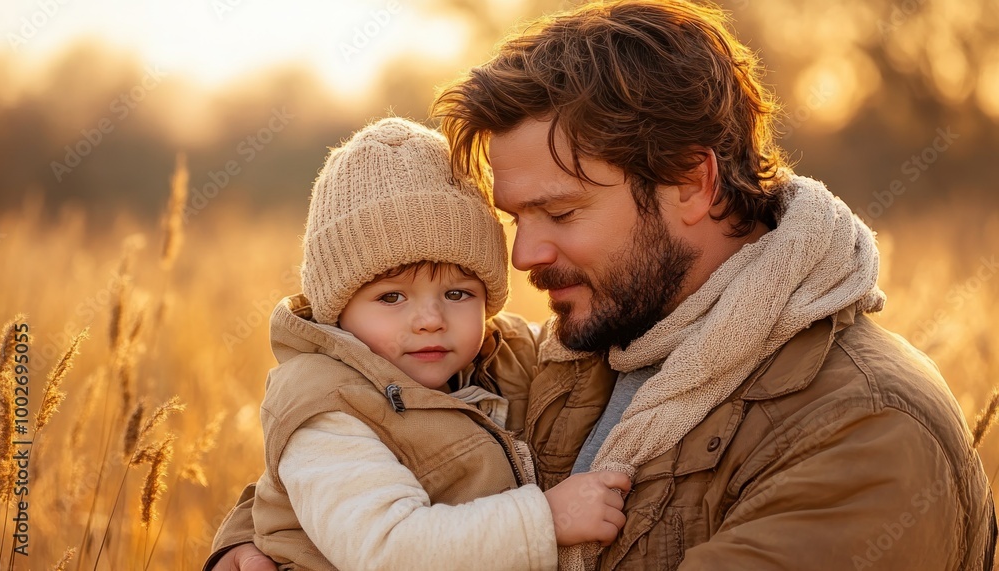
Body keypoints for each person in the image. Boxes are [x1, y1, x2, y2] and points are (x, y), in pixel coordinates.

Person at [209, 1, 997, 569]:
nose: (523, 257)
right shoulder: (572, 348)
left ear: (691, 183)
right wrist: (249, 544)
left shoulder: (867, 434)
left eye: (559, 210)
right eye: (516, 216)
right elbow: (366, 414)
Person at [235, 117, 630, 571]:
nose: (429, 320)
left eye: (457, 294)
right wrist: (546, 521)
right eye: (391, 297)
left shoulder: (509, 352)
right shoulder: (326, 410)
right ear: (337, 309)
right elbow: (387, 550)